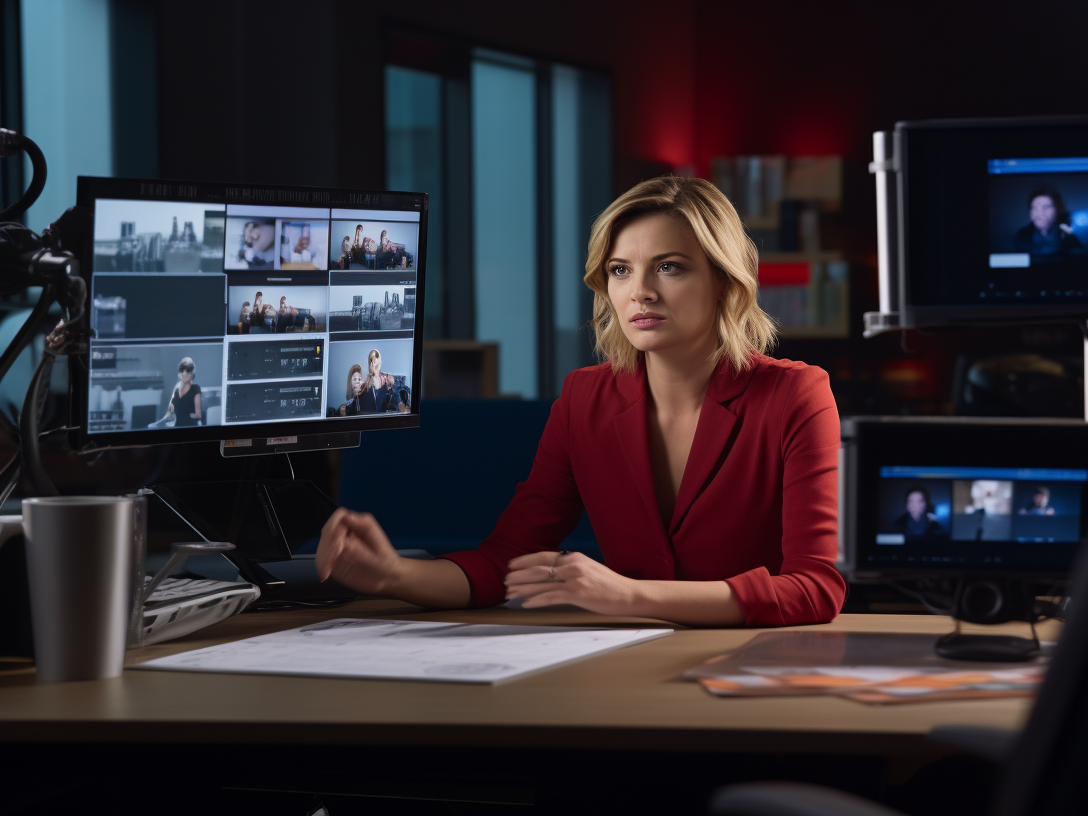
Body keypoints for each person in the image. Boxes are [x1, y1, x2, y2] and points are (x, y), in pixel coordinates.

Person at [316, 176, 844, 627]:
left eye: (670, 267)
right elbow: (502, 563)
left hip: (755, 662)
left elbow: (815, 588)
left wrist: (629, 595)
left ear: (726, 281)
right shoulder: (583, 398)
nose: (640, 292)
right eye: (620, 269)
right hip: (626, 664)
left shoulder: (795, 394)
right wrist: (392, 574)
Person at [1012, 187, 1086, 258]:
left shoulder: (1068, 237)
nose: (1039, 213)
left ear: (1057, 209)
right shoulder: (1022, 236)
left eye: (1045, 207)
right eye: (1034, 208)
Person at [152, 357, 202, 428]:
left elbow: (198, 415)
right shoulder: (176, 391)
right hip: (177, 427)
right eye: (182, 370)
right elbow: (170, 413)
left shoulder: (195, 389)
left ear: (192, 374)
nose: (184, 373)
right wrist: (158, 424)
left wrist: (187, 415)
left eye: (188, 370)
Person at [353, 348, 397, 413]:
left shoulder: (387, 379)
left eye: (375, 360)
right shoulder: (365, 381)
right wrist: (371, 375)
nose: (373, 363)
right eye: (371, 360)